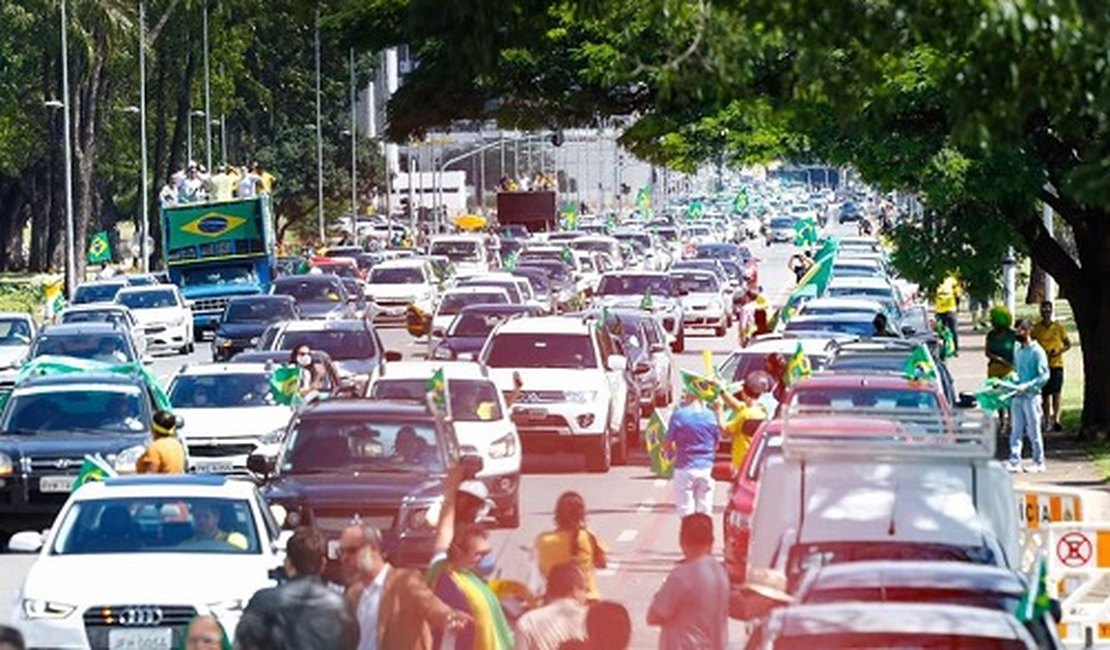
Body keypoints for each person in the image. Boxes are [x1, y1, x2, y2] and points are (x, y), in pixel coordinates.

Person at [339, 523, 468, 650]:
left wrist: (449, 616)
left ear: (374, 549)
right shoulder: (353, 593)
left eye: (352, 551)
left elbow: (430, 604)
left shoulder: (404, 582)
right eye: (341, 552)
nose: (344, 558)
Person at [236, 527, 358, 650]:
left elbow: (244, 643)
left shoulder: (263, 601)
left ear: (288, 563)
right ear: (323, 564)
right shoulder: (341, 604)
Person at [646, 514, 729, 650]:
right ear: (712, 541)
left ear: (682, 541)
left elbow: (654, 615)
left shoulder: (682, 576)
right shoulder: (720, 571)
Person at [427, 524, 514, 650]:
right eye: (479, 554)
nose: (484, 559)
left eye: (487, 553)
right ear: (458, 552)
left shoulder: (466, 575)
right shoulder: (448, 582)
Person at [534, 492, 607, 602]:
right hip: (588, 600)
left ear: (557, 515)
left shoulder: (543, 540)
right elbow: (602, 563)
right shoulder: (588, 537)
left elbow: (541, 571)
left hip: (555, 602)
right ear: (582, 515)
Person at [664, 387, 720, 516]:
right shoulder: (710, 416)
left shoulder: (679, 415)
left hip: (684, 467)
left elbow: (667, 442)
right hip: (706, 468)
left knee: (686, 511)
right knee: (705, 510)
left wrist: (670, 454)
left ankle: (689, 534)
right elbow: (716, 444)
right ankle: (704, 534)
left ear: (688, 396)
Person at [515, 563, 588, 650]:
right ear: (575, 590)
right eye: (585, 589)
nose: (586, 595)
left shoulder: (528, 621)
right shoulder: (592, 619)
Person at [1009, 319, 1050, 473]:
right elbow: (1016, 370)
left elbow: (1044, 376)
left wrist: (1029, 385)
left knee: (1033, 430)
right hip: (1017, 395)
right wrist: (1013, 380)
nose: (1017, 333)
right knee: (1016, 430)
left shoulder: (1037, 351)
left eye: (1020, 330)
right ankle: (1014, 461)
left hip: (1032, 396)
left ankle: (1039, 462)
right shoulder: (1018, 350)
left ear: (1027, 330)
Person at [715, 373, 769, 473]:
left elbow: (724, 431)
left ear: (744, 392)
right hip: (752, 462)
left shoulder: (745, 415)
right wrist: (721, 390)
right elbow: (735, 404)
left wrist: (719, 410)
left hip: (741, 464)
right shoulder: (761, 411)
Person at [1031, 301, 1072, 432]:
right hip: (1042, 366)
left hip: (1056, 364)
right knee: (1045, 395)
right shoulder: (1036, 328)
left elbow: (1067, 344)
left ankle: (1057, 420)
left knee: (1057, 393)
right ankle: (1046, 420)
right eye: (1044, 310)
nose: (1046, 313)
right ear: (1040, 312)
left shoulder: (1058, 327)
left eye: (1048, 310)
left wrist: (1059, 351)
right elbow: (1030, 344)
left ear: (1052, 311)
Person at [136, 410, 186, 474]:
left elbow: (148, 478)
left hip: (160, 484)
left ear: (153, 428)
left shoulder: (155, 450)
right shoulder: (177, 445)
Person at [934, 274, 961, 354]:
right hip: (939, 310)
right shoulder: (935, 281)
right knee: (940, 332)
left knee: (953, 330)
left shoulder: (952, 280)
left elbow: (958, 294)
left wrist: (956, 306)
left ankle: (955, 349)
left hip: (951, 309)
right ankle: (942, 349)